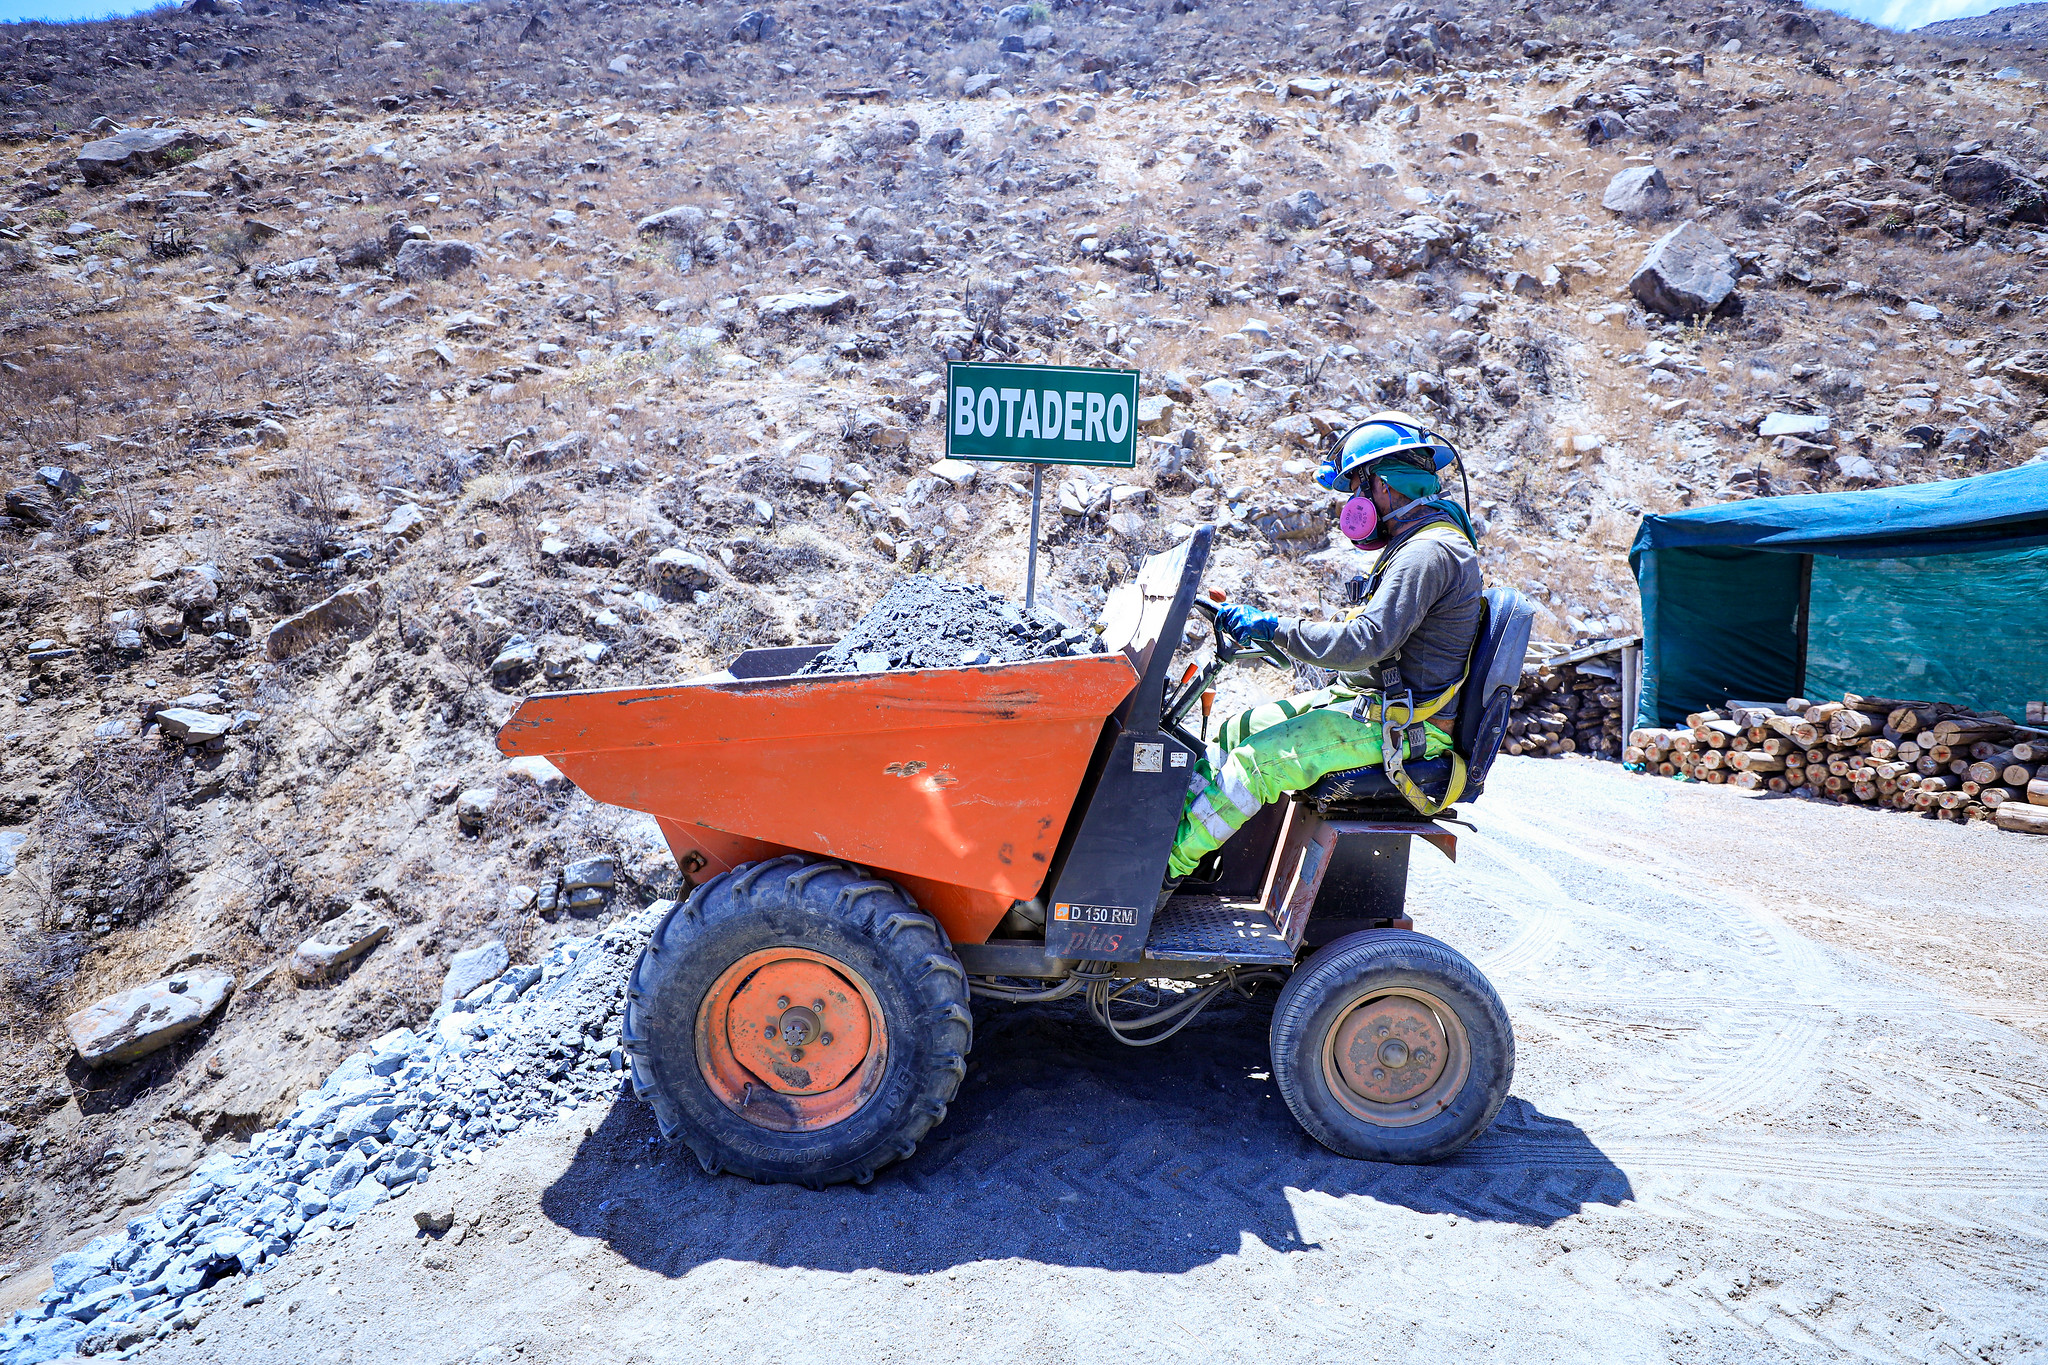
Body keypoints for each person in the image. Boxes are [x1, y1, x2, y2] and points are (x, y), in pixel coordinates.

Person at [1166, 413, 1485, 881]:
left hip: (1405, 725)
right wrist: (1270, 630)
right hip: (1373, 704)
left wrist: (1274, 628)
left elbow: (1362, 643)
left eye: (1359, 487)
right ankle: (1182, 833)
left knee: (1259, 764)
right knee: (1237, 729)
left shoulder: (1428, 553)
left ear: (1386, 485)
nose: (1355, 502)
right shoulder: (1414, 544)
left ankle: (1163, 873)